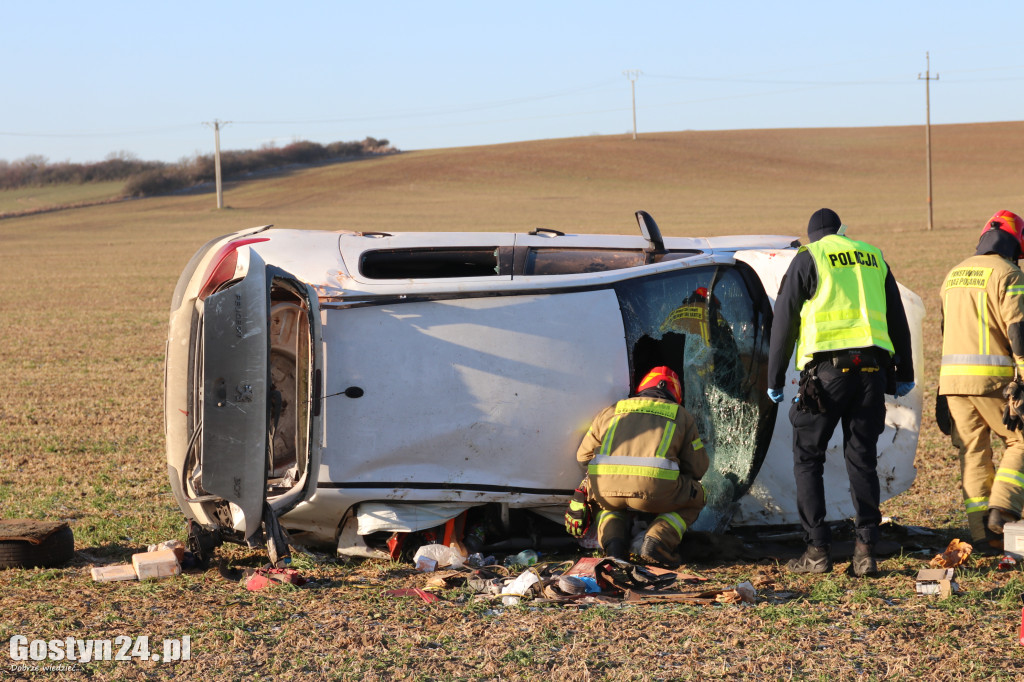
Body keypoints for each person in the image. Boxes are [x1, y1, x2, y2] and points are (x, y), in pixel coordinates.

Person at [766, 208, 915, 577]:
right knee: (862, 458)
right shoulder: (873, 256)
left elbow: (784, 319)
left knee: (808, 457)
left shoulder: (810, 257)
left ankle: (817, 551)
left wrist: (772, 377)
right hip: (873, 373)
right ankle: (865, 551)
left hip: (827, 375)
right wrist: (905, 371)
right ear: (840, 231)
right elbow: (897, 317)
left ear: (814, 234)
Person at [939, 210, 1024, 553]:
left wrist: (939, 396)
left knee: (973, 453)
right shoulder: (1009, 274)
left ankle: (982, 537)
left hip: (953, 383)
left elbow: (946, 334)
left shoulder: (953, 274)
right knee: (1020, 442)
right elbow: (1019, 331)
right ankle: (1003, 509)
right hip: (992, 380)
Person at [570, 366, 708, 567]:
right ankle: (657, 541)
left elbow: (583, 456)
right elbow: (698, 468)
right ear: (676, 395)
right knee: (697, 496)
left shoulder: (611, 410)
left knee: (608, 506)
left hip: (606, 489)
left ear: (641, 388)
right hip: (655, 492)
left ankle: (614, 548)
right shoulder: (681, 415)